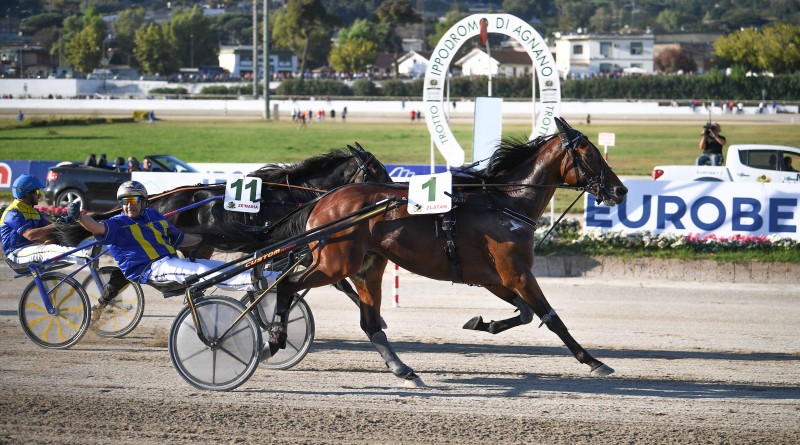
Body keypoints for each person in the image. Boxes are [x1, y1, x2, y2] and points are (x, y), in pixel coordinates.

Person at [68, 181, 277, 313]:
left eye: (133, 200)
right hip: (151, 269)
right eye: (124, 201)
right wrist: (78, 216)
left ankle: (269, 278)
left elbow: (180, 240)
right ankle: (251, 280)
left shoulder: (153, 216)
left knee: (212, 264)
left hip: (169, 262)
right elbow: (95, 226)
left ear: (144, 201)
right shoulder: (117, 223)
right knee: (204, 271)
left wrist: (209, 239)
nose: (129, 205)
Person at [1, 174, 91, 266]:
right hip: (16, 253)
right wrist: (56, 225)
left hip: (31, 249)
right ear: (26, 194)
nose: (39, 195)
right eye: (36, 192)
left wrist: (66, 221)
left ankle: (96, 248)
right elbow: (30, 235)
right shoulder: (12, 213)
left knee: (67, 240)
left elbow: (49, 229)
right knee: (47, 250)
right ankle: (86, 256)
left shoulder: (34, 212)